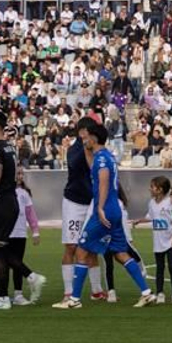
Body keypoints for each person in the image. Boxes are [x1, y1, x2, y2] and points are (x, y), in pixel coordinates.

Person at [53, 116, 156, 309]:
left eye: (88, 137)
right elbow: (94, 167)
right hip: (115, 209)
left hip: (105, 210)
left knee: (82, 250)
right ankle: (146, 292)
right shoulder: (107, 155)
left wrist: (99, 207)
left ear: (93, 138)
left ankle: (74, 299)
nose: (86, 140)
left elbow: (103, 181)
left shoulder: (101, 159)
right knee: (120, 253)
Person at [0, 111, 43, 310]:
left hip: (1, 202)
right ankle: (29, 278)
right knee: (1, 247)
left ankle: (3, 297)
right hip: (11, 201)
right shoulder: (8, 147)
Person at [59, 130, 96, 303]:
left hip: (91, 202)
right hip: (74, 202)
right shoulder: (74, 150)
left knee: (92, 248)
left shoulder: (98, 150)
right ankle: (68, 291)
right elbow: (75, 165)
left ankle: (97, 290)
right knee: (71, 246)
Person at [135, 175, 172, 304]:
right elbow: (151, 216)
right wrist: (140, 220)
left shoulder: (171, 203)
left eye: (152, 187)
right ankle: (160, 292)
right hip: (158, 241)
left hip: (170, 240)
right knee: (159, 268)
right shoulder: (151, 203)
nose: (150, 189)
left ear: (160, 189)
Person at [7, 172, 42, 305]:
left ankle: (18, 295)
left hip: (20, 233)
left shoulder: (24, 194)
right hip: (6, 233)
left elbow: (30, 214)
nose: (19, 176)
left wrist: (35, 232)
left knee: (16, 263)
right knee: (7, 261)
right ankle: (1, 293)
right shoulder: (5, 192)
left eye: (21, 174)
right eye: (17, 174)